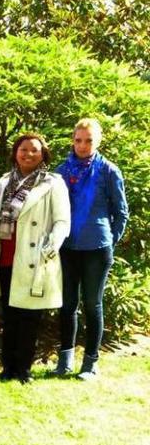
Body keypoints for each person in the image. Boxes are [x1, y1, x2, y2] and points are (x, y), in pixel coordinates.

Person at [0, 134, 70, 383]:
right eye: (23, 149)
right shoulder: (5, 181)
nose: (28, 154)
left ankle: (24, 370)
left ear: (43, 155)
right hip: (5, 255)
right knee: (9, 316)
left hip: (33, 257)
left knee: (30, 317)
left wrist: (52, 246)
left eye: (34, 151)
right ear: (15, 152)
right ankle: (7, 367)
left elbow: (62, 220)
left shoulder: (53, 183)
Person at [54, 118, 128, 380]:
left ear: (98, 142)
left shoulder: (109, 171)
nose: (83, 145)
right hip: (67, 247)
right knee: (67, 305)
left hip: (97, 248)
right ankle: (65, 360)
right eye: (78, 140)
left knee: (92, 304)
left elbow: (121, 213)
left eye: (89, 141)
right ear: (72, 140)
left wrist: (109, 239)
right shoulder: (61, 171)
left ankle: (90, 363)